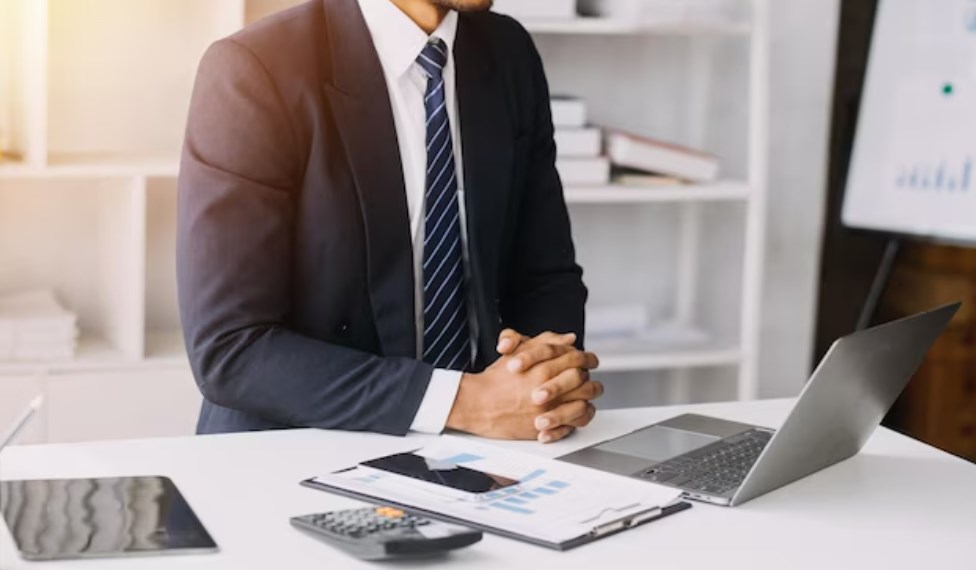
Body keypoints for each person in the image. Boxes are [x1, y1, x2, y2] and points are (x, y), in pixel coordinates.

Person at [176, 0, 604, 444]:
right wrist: (461, 402)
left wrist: (540, 383)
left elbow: (544, 274)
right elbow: (231, 348)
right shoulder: (256, 68)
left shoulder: (508, 51)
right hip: (295, 449)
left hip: (483, 448)